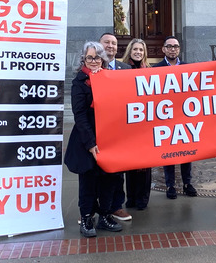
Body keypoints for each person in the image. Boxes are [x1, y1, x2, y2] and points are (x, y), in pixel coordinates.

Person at [64, 41, 123, 237]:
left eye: (97, 57)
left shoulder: (111, 78)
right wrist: (91, 144)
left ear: (103, 59)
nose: (93, 61)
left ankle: (105, 215)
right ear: (84, 59)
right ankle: (87, 218)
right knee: (88, 181)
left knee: (109, 179)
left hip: (110, 137)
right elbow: (80, 115)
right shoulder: (79, 82)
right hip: (87, 140)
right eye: (89, 57)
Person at [153, 36, 198, 199]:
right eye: (169, 46)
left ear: (180, 49)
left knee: (187, 151)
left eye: (176, 46)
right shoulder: (155, 68)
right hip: (165, 117)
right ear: (164, 49)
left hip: (184, 116)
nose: (173, 49)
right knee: (168, 152)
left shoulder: (188, 67)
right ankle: (170, 185)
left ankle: (187, 183)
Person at [99, 33, 133, 222]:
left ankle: (116, 206)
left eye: (114, 43)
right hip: (99, 129)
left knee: (117, 171)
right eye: (107, 42)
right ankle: (93, 207)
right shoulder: (92, 67)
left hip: (120, 129)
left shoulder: (126, 69)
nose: (111, 46)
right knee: (95, 172)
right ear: (99, 45)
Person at [121, 38, 152, 210]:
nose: (138, 52)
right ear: (130, 51)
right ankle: (131, 197)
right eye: (135, 49)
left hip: (145, 125)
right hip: (127, 124)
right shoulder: (121, 69)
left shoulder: (149, 71)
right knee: (129, 164)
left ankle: (142, 198)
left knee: (144, 165)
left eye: (141, 50)